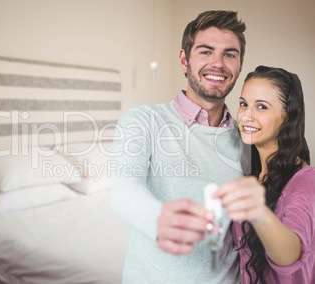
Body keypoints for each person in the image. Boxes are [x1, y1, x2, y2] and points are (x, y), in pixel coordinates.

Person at [110, 10, 246, 283]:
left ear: (239, 66)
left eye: (229, 54)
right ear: (185, 60)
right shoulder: (143, 121)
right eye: (206, 52)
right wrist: (156, 217)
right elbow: (123, 187)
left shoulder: (247, 138)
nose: (218, 63)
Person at [215, 66, 315, 283]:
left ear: (288, 115)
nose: (246, 116)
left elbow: (291, 254)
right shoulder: (251, 173)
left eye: (261, 107)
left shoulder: (306, 182)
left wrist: (258, 211)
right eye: (243, 104)